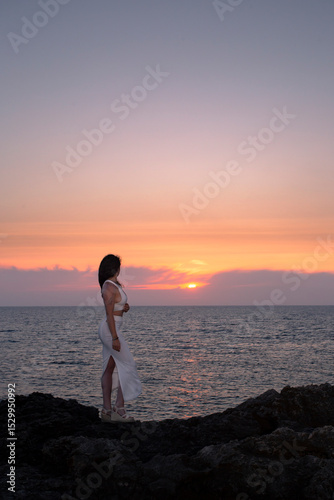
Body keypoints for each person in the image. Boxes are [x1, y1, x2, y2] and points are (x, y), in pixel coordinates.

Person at [98, 254, 141, 422]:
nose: (120, 268)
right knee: (128, 364)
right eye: (118, 266)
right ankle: (119, 408)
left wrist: (124, 308)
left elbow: (115, 309)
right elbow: (109, 314)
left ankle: (107, 411)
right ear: (114, 267)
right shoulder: (108, 286)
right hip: (110, 330)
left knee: (109, 368)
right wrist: (115, 337)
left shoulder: (114, 285)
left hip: (113, 327)